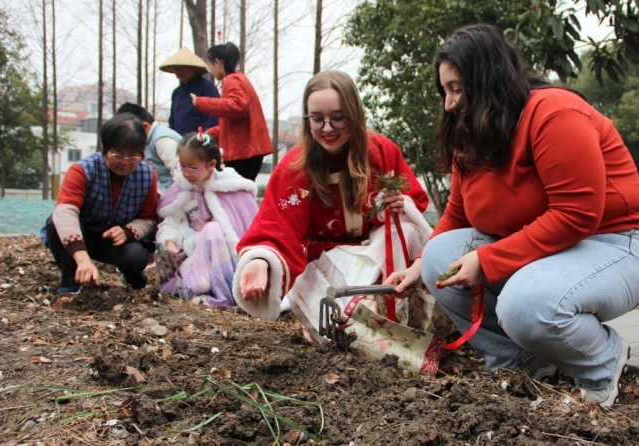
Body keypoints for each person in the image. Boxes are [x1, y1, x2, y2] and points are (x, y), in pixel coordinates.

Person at [385, 24, 639, 407]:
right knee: (441, 260)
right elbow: (457, 212)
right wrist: (420, 265)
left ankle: (601, 364)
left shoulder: (554, 113)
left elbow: (577, 214)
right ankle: (525, 367)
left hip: (616, 241)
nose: (449, 104)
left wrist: (488, 260)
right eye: (445, 91)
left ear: (487, 78)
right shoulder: (474, 129)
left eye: (457, 88)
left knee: (525, 306)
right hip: (555, 247)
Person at [232, 70, 432, 338]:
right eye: (317, 119)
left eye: (338, 118)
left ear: (354, 114)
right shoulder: (295, 168)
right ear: (307, 120)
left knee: (405, 231)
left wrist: (394, 207)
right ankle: (356, 327)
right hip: (325, 260)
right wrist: (261, 263)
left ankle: (410, 327)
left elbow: (414, 202)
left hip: (377, 253)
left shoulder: (381, 152)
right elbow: (276, 225)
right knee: (349, 307)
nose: (327, 129)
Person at [44, 114, 158, 294]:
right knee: (54, 224)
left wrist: (128, 232)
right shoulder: (82, 170)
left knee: (136, 256)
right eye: (118, 154)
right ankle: (71, 283)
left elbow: (148, 218)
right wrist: (81, 258)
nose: (125, 162)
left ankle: (132, 278)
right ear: (105, 148)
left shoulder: (148, 176)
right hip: (85, 233)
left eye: (133, 156)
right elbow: (65, 212)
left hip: (115, 241)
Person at [156, 131, 259, 309]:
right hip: (190, 254)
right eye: (183, 166)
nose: (187, 173)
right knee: (197, 279)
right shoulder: (183, 190)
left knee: (213, 230)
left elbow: (245, 226)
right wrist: (169, 241)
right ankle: (196, 288)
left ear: (211, 164)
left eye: (193, 167)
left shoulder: (231, 187)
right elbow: (170, 222)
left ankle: (223, 294)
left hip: (225, 257)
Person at [192, 42, 273, 181]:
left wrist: (201, 102)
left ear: (217, 62)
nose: (210, 70)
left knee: (237, 195)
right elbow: (234, 122)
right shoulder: (239, 78)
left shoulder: (232, 79)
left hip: (243, 153)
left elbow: (238, 107)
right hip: (248, 152)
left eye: (210, 66)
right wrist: (212, 133)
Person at [116, 102, 181, 193]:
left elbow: (181, 173)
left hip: (172, 197)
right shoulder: (149, 140)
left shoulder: (162, 139)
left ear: (145, 126)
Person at [160, 46, 220, 135]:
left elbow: (213, 118)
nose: (179, 71)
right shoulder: (176, 93)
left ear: (194, 68)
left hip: (201, 141)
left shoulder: (207, 87)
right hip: (179, 142)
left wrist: (202, 137)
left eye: (183, 67)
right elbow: (172, 122)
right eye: (176, 68)